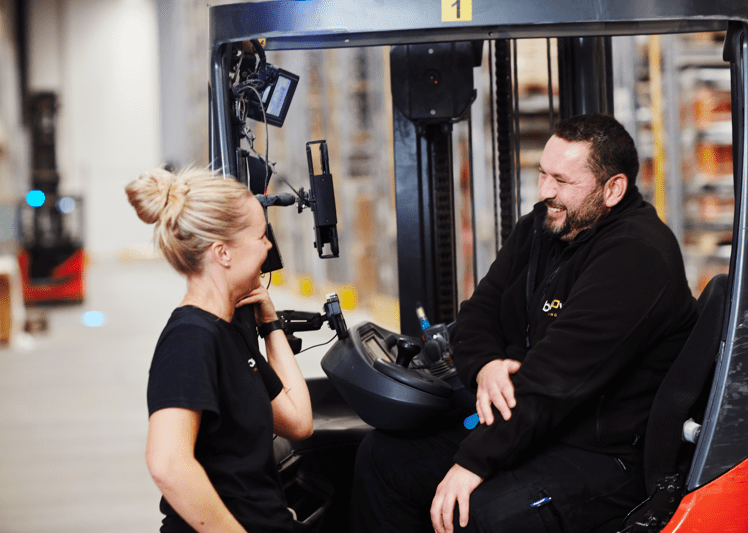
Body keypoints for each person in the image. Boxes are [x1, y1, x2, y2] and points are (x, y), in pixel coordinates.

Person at [350, 113, 698, 533]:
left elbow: (554, 380)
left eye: (562, 181)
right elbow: (478, 313)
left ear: (613, 189)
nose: (545, 191)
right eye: (543, 174)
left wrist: (472, 462)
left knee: (477, 512)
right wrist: (486, 366)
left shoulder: (636, 257)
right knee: (383, 458)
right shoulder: (543, 226)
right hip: (537, 429)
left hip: (603, 456)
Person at [126, 167, 312, 533]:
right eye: (261, 236)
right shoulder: (190, 339)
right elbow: (167, 464)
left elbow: (298, 422)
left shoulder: (228, 331)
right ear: (222, 253)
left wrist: (270, 323)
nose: (268, 247)